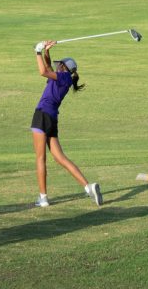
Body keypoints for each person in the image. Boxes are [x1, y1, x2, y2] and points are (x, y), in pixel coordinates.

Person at [31, 40, 103, 207]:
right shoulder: (65, 78)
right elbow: (48, 68)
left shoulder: (62, 77)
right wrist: (46, 52)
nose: (57, 66)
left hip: (41, 116)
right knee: (59, 157)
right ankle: (88, 187)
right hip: (52, 119)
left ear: (64, 68)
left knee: (40, 158)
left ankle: (43, 198)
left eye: (60, 65)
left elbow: (43, 71)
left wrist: (37, 52)